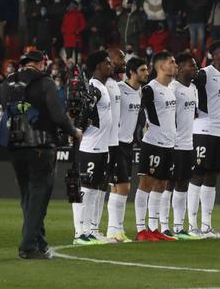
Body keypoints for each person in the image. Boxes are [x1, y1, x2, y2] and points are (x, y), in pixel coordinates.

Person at [0, 50, 82, 259]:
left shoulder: (7, 83)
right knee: (39, 196)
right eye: (44, 62)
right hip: (40, 145)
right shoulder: (45, 83)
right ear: (39, 63)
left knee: (28, 196)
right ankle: (28, 246)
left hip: (15, 145)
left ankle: (40, 242)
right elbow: (57, 115)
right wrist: (74, 131)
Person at [188, 40, 220, 237]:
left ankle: (206, 224)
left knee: (213, 176)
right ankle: (191, 224)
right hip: (203, 129)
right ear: (214, 55)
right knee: (198, 174)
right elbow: (189, 88)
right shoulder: (204, 74)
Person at [71, 51, 116, 245]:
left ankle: (91, 230)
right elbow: (81, 114)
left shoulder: (101, 87)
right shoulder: (92, 88)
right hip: (90, 147)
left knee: (98, 189)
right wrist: (79, 128)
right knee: (86, 189)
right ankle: (80, 232)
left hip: (102, 147)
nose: (111, 65)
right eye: (107, 63)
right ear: (98, 66)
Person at [134, 51, 179, 242]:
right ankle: (140, 229)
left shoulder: (170, 88)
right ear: (161, 66)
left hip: (169, 144)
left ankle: (153, 227)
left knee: (161, 184)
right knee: (146, 184)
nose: (175, 65)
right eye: (172, 62)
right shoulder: (150, 89)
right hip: (153, 143)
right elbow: (138, 111)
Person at [106, 56, 149, 242]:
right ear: (131, 72)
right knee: (122, 187)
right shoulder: (119, 89)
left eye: (147, 70)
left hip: (128, 144)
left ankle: (113, 230)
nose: (146, 73)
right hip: (116, 144)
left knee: (118, 188)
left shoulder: (140, 92)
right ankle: (116, 230)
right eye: (142, 70)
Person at [166, 53, 199, 239]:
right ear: (180, 67)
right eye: (191, 65)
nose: (195, 68)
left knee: (183, 184)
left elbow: (192, 115)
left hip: (188, 143)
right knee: (168, 183)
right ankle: (163, 226)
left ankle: (178, 227)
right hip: (174, 144)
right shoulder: (173, 88)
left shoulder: (193, 88)